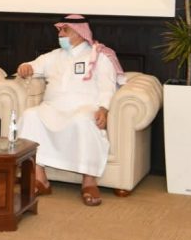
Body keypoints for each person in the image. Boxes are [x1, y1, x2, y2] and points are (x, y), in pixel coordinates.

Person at [16, 14, 125, 207]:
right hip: (53, 107)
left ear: (80, 32)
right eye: (59, 30)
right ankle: (40, 179)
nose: (60, 34)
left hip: (84, 108)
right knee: (30, 116)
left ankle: (89, 182)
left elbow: (107, 86)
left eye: (65, 30)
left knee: (83, 120)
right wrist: (25, 67)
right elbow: (32, 65)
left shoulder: (99, 56)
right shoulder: (54, 56)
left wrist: (104, 108)